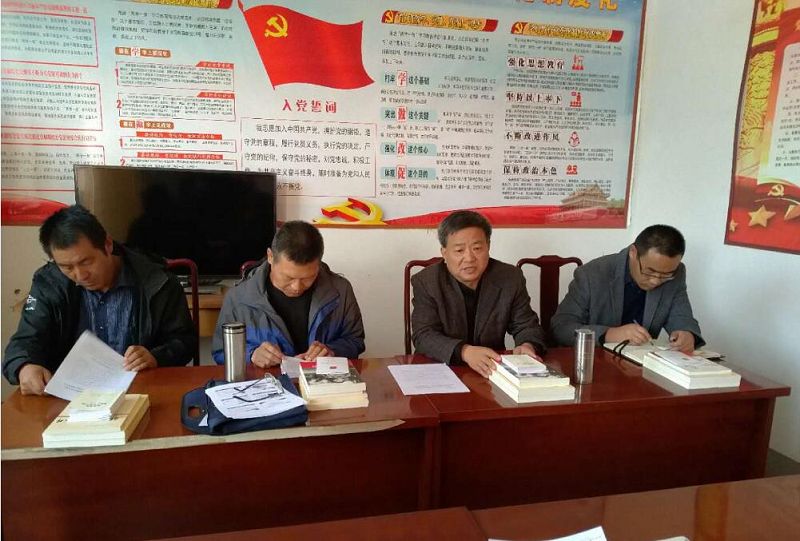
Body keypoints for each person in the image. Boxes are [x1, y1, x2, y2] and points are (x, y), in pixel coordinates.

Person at [3, 205, 196, 395]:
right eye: (67, 267)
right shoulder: (50, 284)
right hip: (69, 397)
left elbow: (184, 341)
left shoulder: (157, 282)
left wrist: (155, 357)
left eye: (86, 262)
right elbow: (26, 340)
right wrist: (24, 366)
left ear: (108, 245)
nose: (80, 275)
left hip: (139, 392)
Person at [411, 210, 546, 377]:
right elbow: (424, 335)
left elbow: (526, 325)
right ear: (444, 253)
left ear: (488, 246)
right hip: (441, 370)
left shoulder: (510, 278)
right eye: (459, 250)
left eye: (477, 248)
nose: (469, 258)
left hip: (491, 372)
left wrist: (527, 345)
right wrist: (464, 351)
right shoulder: (427, 282)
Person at [212, 220, 365, 366]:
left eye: (307, 278)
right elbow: (220, 351)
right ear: (270, 257)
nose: (297, 287)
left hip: (320, 380)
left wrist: (332, 351)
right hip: (267, 381)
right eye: (288, 277)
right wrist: (251, 355)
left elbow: (355, 341)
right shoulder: (240, 297)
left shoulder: (339, 291)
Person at [551, 224, 704, 352]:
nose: (655, 281)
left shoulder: (676, 274)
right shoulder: (592, 274)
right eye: (649, 271)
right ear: (633, 253)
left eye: (665, 275)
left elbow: (682, 318)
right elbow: (561, 328)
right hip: (595, 362)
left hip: (640, 365)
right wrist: (610, 334)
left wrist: (687, 336)